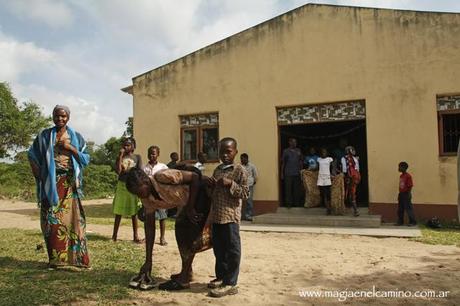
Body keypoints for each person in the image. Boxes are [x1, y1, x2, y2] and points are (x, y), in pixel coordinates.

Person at [125, 166, 209, 290]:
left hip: (201, 194)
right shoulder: (146, 198)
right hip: (186, 204)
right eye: (136, 194)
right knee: (180, 232)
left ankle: (184, 279)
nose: (139, 195)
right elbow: (150, 228)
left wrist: (191, 207)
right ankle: (187, 272)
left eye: (139, 191)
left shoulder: (163, 176)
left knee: (189, 234)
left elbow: (195, 178)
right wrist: (148, 261)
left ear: (146, 181)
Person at [28, 105, 90, 269]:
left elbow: (85, 159)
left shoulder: (76, 137)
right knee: (51, 221)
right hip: (51, 185)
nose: (60, 119)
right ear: (53, 116)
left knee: (74, 221)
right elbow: (32, 154)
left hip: (70, 184)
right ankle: (56, 260)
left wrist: (70, 148)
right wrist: (40, 176)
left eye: (63, 116)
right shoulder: (44, 135)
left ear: (68, 117)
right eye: (57, 116)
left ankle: (77, 260)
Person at [206, 137, 249, 298]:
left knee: (232, 250)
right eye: (221, 152)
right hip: (217, 216)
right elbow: (214, 194)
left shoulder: (240, 170)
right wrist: (211, 186)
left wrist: (230, 184)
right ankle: (222, 276)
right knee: (219, 249)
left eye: (228, 152)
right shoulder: (217, 169)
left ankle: (231, 283)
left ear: (235, 152)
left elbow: (245, 193)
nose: (224, 155)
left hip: (230, 217)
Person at [112, 137, 143, 243]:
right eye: (124, 145)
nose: (126, 147)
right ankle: (114, 236)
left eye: (128, 145)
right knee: (118, 211)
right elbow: (119, 172)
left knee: (134, 212)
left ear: (133, 146)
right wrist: (120, 156)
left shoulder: (137, 157)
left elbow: (139, 171)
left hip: (133, 186)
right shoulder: (120, 157)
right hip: (122, 185)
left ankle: (135, 236)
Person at [143, 145, 169, 246]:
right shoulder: (144, 168)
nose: (151, 155)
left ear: (158, 154)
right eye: (149, 153)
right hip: (149, 196)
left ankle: (162, 237)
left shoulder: (163, 167)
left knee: (162, 216)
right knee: (149, 217)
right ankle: (148, 236)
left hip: (160, 195)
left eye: (153, 153)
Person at [281, 138, 303, 207]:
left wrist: (301, 171)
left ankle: (296, 204)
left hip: (297, 173)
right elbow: (283, 163)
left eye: (295, 142)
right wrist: (282, 173)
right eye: (293, 142)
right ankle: (288, 204)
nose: (295, 143)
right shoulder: (286, 151)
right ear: (289, 142)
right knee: (288, 189)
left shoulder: (298, 150)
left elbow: (301, 161)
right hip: (288, 173)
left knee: (296, 190)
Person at [341, 146, 360, 216]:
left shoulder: (344, 159)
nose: (354, 151)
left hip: (350, 177)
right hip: (354, 177)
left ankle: (354, 209)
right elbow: (357, 169)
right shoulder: (355, 159)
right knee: (352, 193)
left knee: (349, 192)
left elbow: (344, 169)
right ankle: (354, 209)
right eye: (352, 150)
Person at [397, 162, 417, 226]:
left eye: (400, 167)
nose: (399, 168)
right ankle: (400, 221)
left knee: (408, 208)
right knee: (400, 209)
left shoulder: (408, 176)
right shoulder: (401, 176)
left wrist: (408, 194)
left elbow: (410, 186)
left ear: (404, 168)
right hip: (401, 194)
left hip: (406, 194)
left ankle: (412, 222)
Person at [240, 153, 258, 221]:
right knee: (240, 201)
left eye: (243, 159)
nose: (241, 160)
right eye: (241, 159)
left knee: (249, 201)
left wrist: (253, 182)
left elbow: (255, 175)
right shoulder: (240, 166)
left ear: (246, 158)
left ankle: (249, 215)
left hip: (249, 185)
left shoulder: (252, 166)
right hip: (241, 186)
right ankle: (240, 216)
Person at [317, 148, 334, 215]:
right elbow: (317, 167)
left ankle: (328, 208)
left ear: (327, 153)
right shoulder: (319, 159)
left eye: (325, 152)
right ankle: (325, 205)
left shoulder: (329, 159)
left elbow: (332, 167)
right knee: (322, 193)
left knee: (328, 193)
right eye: (322, 152)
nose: (323, 153)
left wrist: (333, 174)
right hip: (321, 178)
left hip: (327, 178)